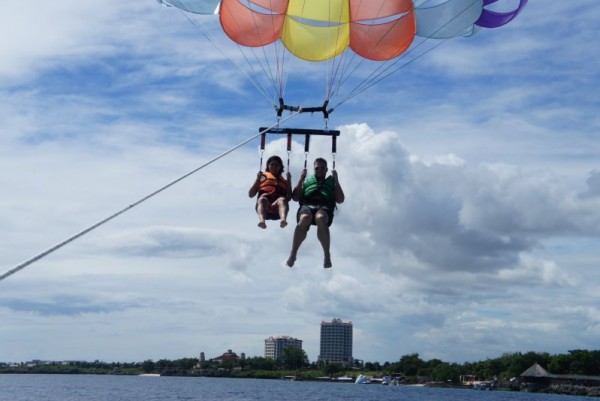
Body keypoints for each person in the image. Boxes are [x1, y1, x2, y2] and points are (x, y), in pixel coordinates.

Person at [286, 157, 345, 268]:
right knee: (304, 218)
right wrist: (301, 179)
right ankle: (293, 254)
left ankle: (327, 255)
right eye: (317, 168)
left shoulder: (332, 181)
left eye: (323, 168)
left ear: (327, 170)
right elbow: (295, 198)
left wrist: (337, 180)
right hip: (307, 205)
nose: (320, 170)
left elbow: (340, 200)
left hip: (324, 206)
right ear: (314, 169)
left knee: (321, 218)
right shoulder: (307, 180)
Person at [248, 155, 291, 229]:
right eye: (272, 164)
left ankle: (283, 220)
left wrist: (289, 181)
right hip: (265, 208)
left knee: (282, 200)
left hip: (277, 211)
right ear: (268, 166)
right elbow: (251, 194)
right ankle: (262, 221)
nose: (274, 166)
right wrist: (257, 179)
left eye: (276, 165)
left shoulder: (284, 181)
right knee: (262, 199)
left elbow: (289, 198)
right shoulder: (262, 177)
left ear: (280, 167)